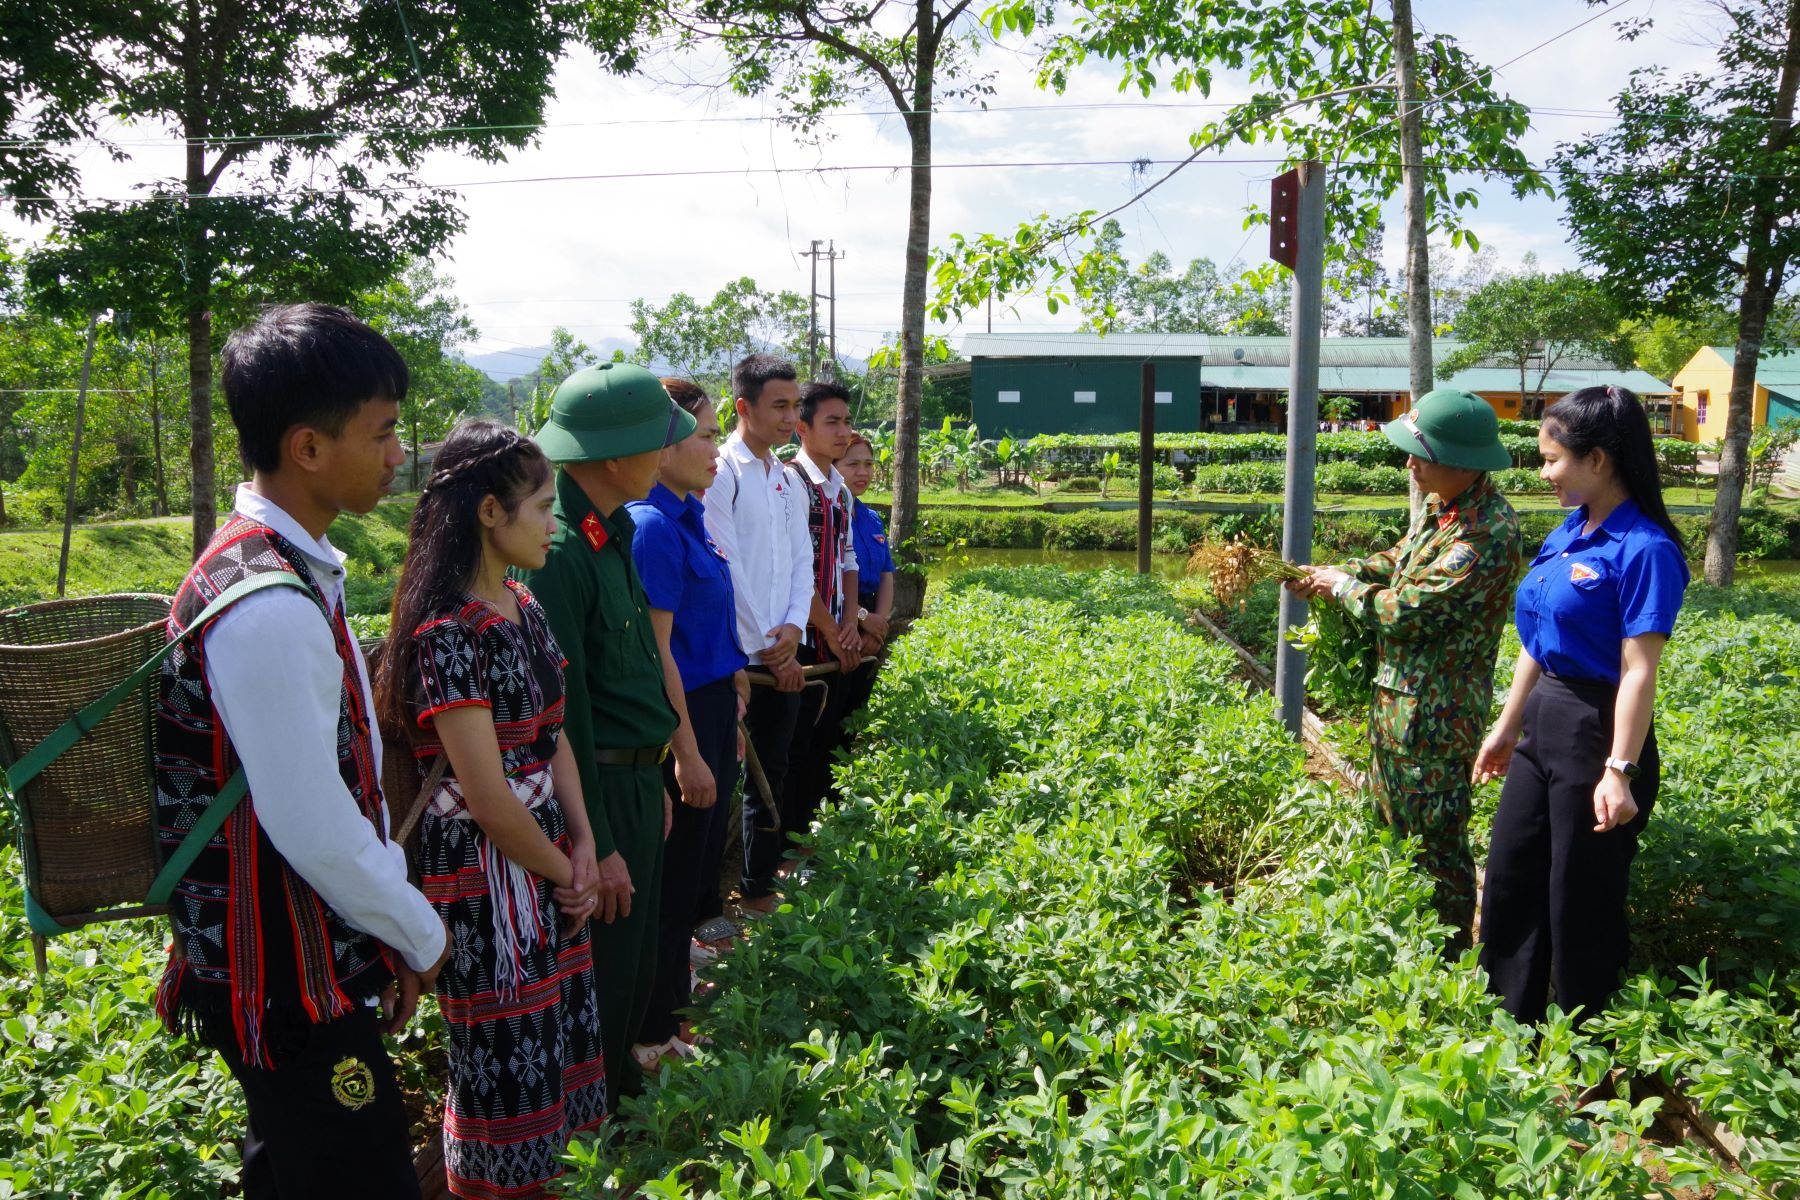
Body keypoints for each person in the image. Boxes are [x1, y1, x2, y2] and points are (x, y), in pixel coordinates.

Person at [154, 303, 449, 1199]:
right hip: (282, 975)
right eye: (384, 430)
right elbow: (315, 825)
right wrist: (416, 931)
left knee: (292, 1168)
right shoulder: (268, 606)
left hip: (293, 953)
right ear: (307, 448)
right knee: (356, 1177)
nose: (400, 452)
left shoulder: (283, 567)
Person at [375, 420, 607, 1198]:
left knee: (556, 1044)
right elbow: (486, 798)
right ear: (487, 513)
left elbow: (554, 740)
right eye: (541, 507)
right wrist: (567, 873)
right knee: (499, 1067)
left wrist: (582, 844)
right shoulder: (446, 635)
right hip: (485, 878)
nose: (553, 523)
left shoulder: (524, 607)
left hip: (544, 858)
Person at [1474, 385, 1689, 1026]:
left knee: (1580, 895)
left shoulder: (1644, 549)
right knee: (1513, 871)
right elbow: (1538, 641)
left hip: (1598, 731)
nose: (1544, 474)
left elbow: (1639, 672)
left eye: (1552, 459)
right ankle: (1507, 1023)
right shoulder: (1571, 531)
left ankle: (1586, 1049)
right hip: (1545, 719)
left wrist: (1619, 771)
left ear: (1598, 459)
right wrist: (1508, 724)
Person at [1287, 388, 1523, 954]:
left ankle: (1443, 965)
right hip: (1398, 709)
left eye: (1420, 453)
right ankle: (1399, 947)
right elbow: (1396, 562)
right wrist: (1336, 571)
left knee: (1435, 848)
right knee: (1392, 832)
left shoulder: (1485, 534)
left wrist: (1342, 589)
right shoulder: (1443, 511)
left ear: (1462, 462)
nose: (1409, 463)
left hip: (1436, 723)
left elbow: (1408, 612)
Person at [523, 362, 697, 1098]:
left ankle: (620, 1098)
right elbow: (569, 711)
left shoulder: (614, 530)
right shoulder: (560, 552)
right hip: (597, 790)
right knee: (608, 966)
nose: (669, 456)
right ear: (618, 457)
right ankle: (597, 1118)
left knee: (635, 958)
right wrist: (603, 835)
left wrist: (654, 770)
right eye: (659, 444)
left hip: (632, 779)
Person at [626, 379, 749, 1065]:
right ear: (661, 446)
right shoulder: (651, 528)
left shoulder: (689, 514)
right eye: (703, 436)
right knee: (672, 885)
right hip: (682, 717)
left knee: (695, 874)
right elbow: (658, 651)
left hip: (707, 703)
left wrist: (732, 680)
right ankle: (656, 1032)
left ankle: (672, 1014)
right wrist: (687, 749)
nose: (712, 449)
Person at [702, 354, 813, 915]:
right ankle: (706, 908)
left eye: (795, 406)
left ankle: (758, 887)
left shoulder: (784, 477)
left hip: (781, 651)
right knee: (719, 782)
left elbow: (802, 557)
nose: (791, 417)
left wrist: (794, 626)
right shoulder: (721, 472)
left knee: (775, 765)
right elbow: (726, 565)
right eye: (779, 406)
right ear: (743, 407)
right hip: (736, 659)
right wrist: (768, 645)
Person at [782, 380, 863, 832]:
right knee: (794, 751)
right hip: (804, 641)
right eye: (831, 421)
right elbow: (796, 571)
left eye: (846, 421)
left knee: (824, 746)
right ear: (802, 428)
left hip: (833, 637)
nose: (843, 431)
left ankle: (814, 839)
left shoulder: (841, 490)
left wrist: (850, 620)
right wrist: (831, 630)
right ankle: (788, 852)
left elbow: (846, 560)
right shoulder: (790, 483)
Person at [837, 432, 897, 721]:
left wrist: (879, 624)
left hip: (872, 621)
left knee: (856, 713)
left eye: (869, 464)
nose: (863, 472)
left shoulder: (872, 518)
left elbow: (887, 573)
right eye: (853, 464)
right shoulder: (829, 513)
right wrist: (862, 618)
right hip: (840, 619)